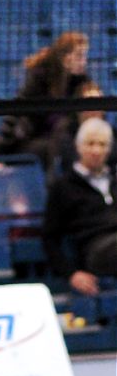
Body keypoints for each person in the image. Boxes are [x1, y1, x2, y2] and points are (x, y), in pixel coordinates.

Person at [0, 31, 90, 179]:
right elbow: (16, 114)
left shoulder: (81, 82)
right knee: (53, 146)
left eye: (85, 56)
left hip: (63, 141)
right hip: (32, 141)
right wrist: (2, 157)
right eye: (79, 56)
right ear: (65, 57)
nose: (84, 62)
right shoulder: (40, 77)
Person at [42, 117, 117, 296]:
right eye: (90, 143)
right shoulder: (63, 186)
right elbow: (49, 238)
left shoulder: (115, 180)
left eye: (102, 144)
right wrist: (71, 274)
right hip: (95, 250)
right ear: (78, 146)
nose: (96, 150)